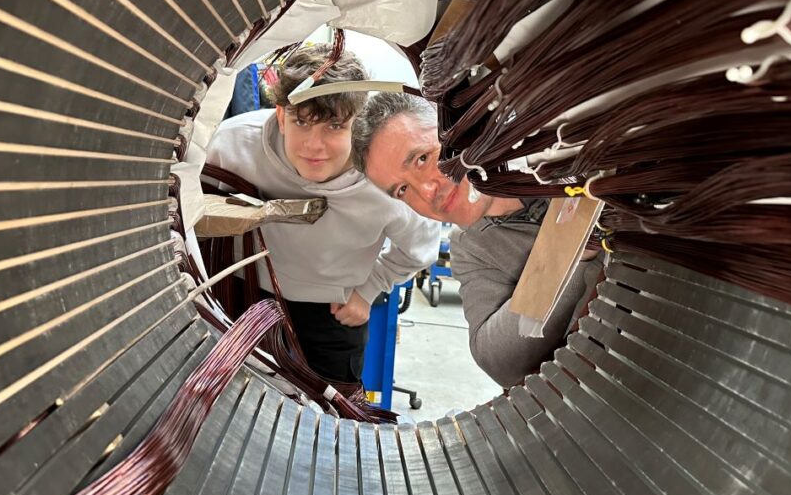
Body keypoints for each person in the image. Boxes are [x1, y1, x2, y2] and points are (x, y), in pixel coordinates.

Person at [204, 45, 438, 384]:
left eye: (334, 126)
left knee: (327, 422)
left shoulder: (385, 178)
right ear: (281, 116)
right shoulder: (231, 145)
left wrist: (369, 289)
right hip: (237, 296)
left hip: (330, 317)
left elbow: (422, 246)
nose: (315, 146)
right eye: (301, 122)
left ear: (357, 125)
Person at [351, 91, 602, 388]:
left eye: (422, 158)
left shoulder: (563, 152)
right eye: (402, 190)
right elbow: (500, 363)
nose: (427, 192)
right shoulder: (471, 247)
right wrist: (569, 250)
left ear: (456, 131)